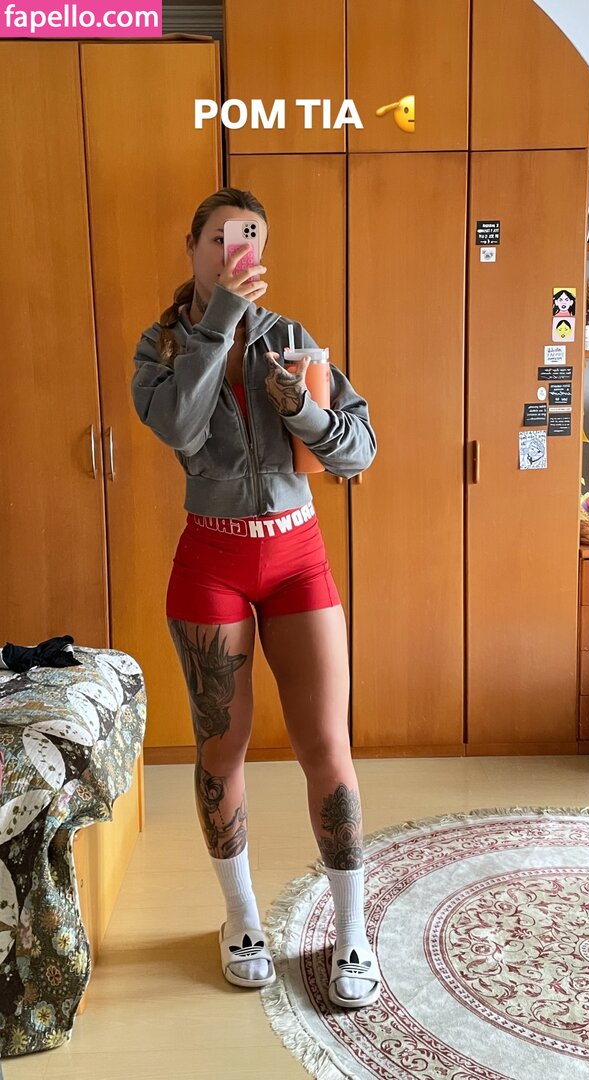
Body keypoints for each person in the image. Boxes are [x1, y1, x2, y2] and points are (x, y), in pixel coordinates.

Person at [131, 187, 379, 1009]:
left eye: (249, 237)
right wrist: (220, 324)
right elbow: (178, 426)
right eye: (219, 236)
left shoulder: (293, 339)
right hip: (211, 559)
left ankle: (351, 931)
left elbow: (357, 452)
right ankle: (241, 919)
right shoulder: (163, 343)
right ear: (193, 245)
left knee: (328, 744)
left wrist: (301, 409)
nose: (234, 249)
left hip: (298, 555)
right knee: (221, 748)